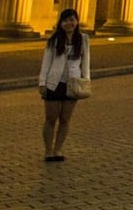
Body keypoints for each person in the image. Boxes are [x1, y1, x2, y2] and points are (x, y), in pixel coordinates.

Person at [38, 8, 90, 162]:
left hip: (73, 84)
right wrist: (42, 83)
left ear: (77, 21)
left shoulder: (83, 39)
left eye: (72, 20)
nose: (69, 23)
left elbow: (86, 62)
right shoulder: (54, 40)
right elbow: (46, 63)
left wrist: (86, 80)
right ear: (60, 23)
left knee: (66, 119)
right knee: (51, 118)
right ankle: (48, 150)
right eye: (66, 20)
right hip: (54, 83)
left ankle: (58, 149)